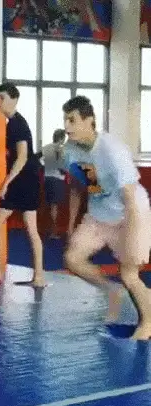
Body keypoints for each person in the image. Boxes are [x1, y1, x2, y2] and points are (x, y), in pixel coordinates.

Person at [61, 95, 151, 340]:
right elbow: (82, 186)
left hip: (131, 213)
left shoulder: (112, 150)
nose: (67, 126)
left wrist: (132, 236)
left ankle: (147, 323)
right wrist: (71, 224)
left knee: (129, 274)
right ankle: (112, 291)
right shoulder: (70, 151)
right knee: (72, 258)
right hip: (99, 215)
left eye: (72, 120)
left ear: (89, 120)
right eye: (65, 120)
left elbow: (130, 198)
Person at [0, 82, 45, 286]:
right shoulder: (15, 123)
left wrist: (6, 183)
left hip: (23, 180)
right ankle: (39, 277)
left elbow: (22, 157)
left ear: (13, 99)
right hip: (30, 178)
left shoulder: (16, 124)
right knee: (31, 229)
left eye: (2, 97)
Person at [36, 129, 67, 239]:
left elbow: (36, 158)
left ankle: (42, 229)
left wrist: (44, 167)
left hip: (47, 179)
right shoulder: (61, 149)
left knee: (46, 205)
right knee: (54, 207)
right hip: (57, 179)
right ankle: (53, 232)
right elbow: (62, 166)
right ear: (61, 138)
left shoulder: (47, 147)